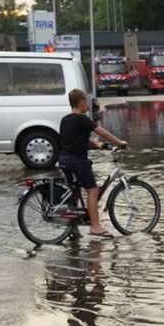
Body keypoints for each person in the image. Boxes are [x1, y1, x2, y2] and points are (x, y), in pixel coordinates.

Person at [58, 89, 129, 238]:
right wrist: (119, 142)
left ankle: (73, 228)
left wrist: (96, 145)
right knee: (92, 190)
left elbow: (76, 139)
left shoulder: (65, 120)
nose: (88, 106)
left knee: (75, 192)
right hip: (77, 161)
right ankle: (95, 226)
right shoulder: (82, 119)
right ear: (82, 102)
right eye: (87, 103)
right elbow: (101, 131)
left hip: (64, 160)